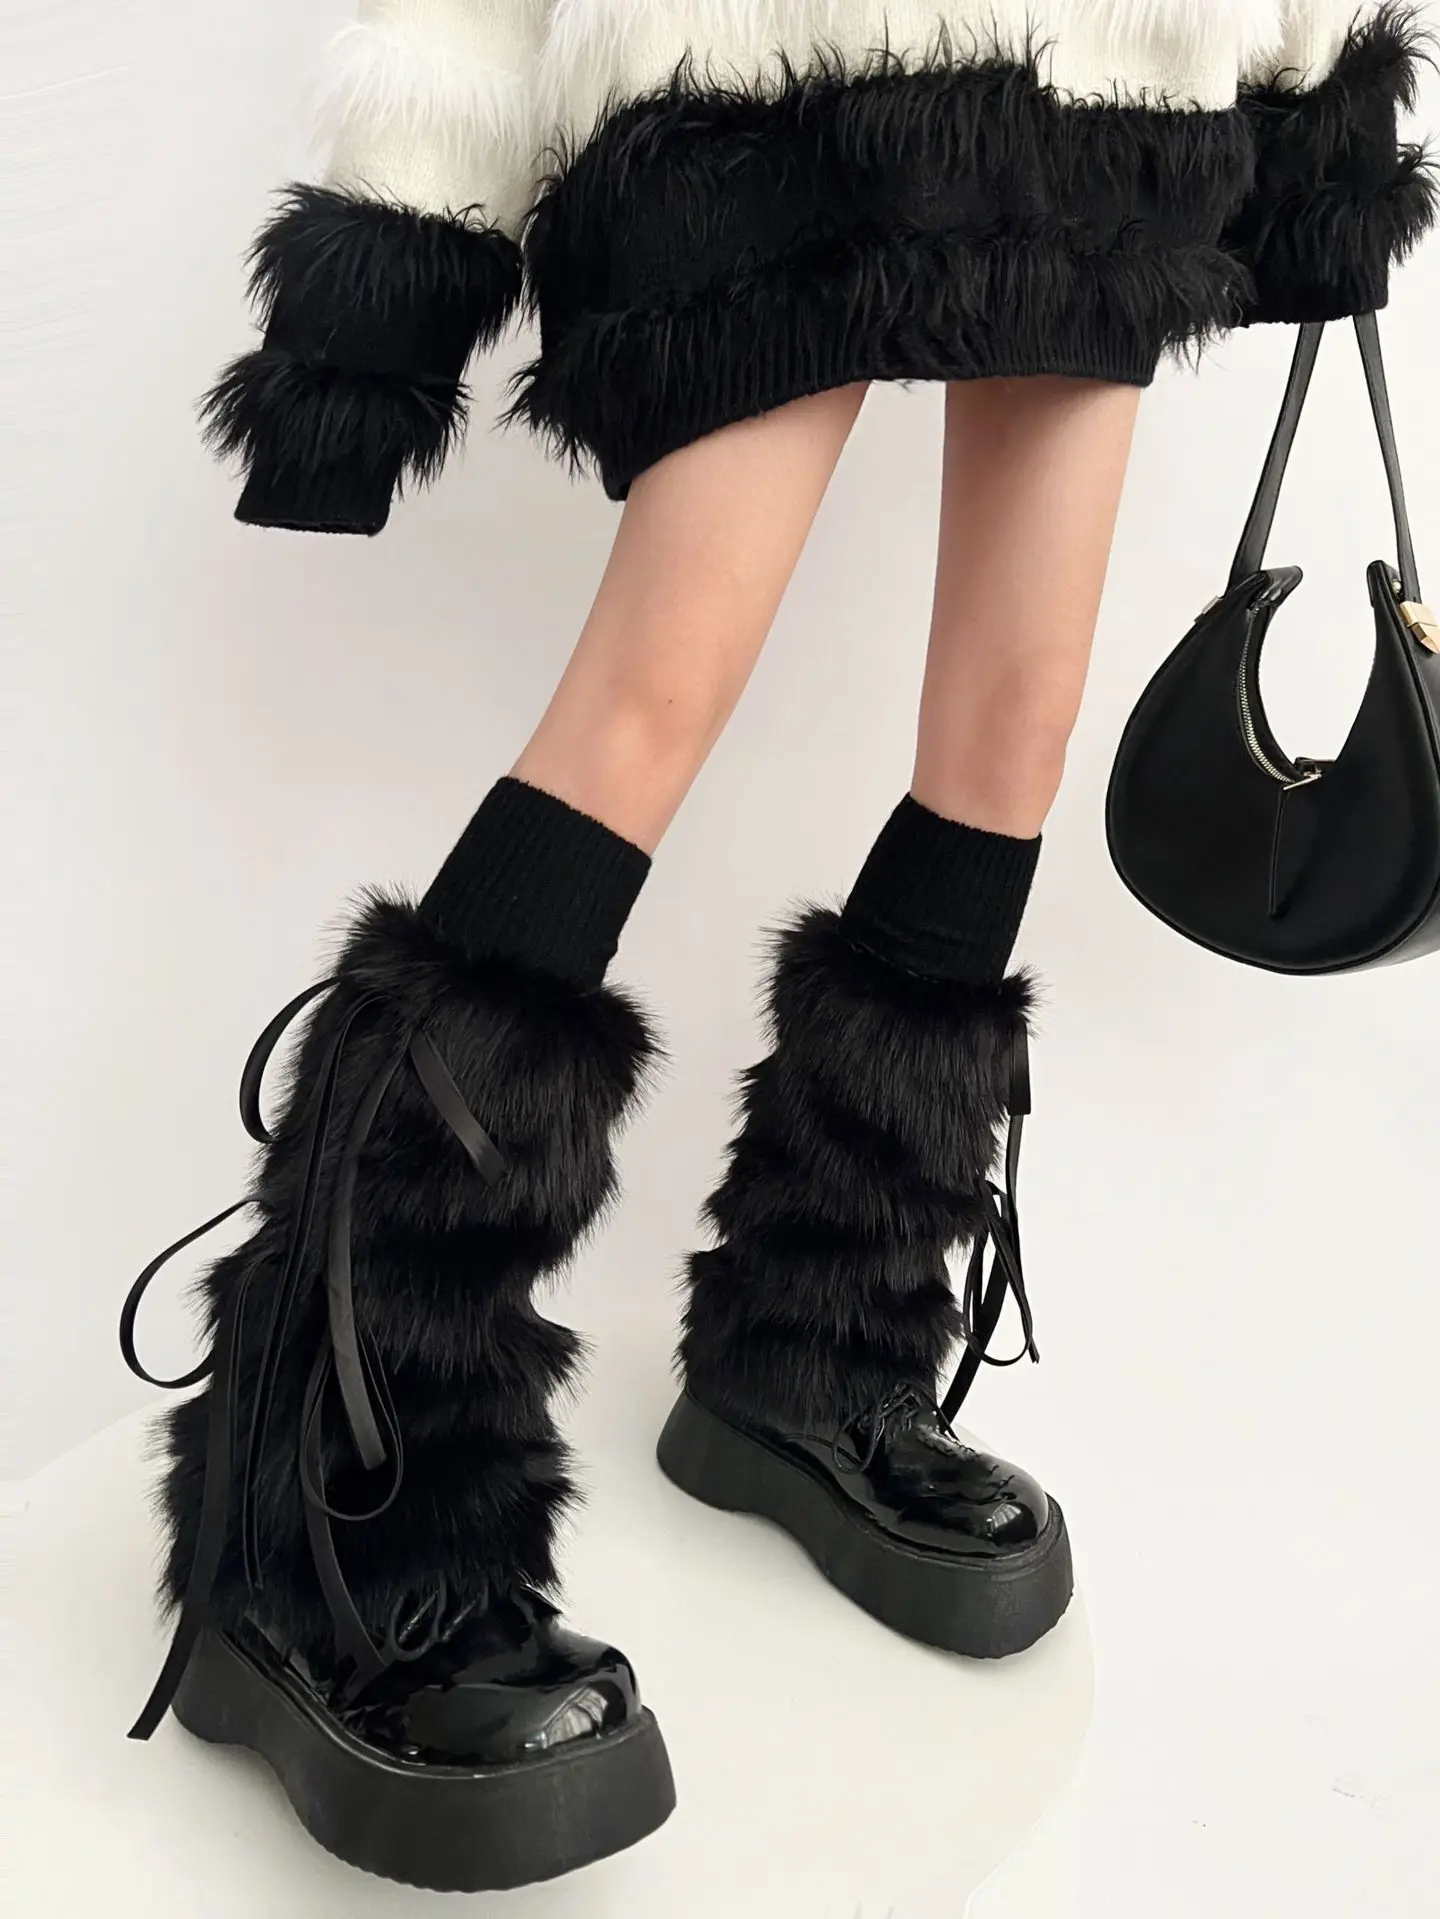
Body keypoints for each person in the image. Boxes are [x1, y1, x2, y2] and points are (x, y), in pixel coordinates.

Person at [125, 0, 1432, 1893]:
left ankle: (816, 1348)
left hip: (1109, 71)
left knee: (1020, 721)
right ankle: (322, 1506)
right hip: (765, 76)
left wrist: (1317, 136)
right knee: (649, 703)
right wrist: (376, 296)